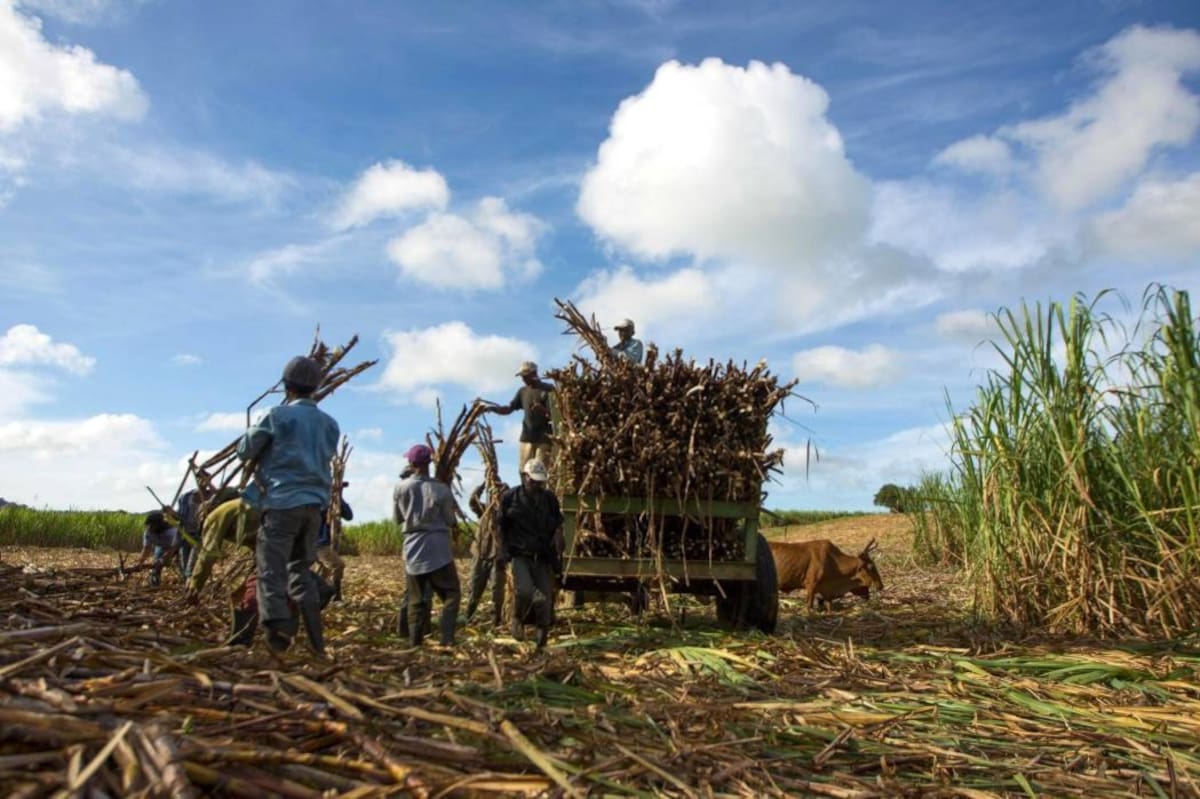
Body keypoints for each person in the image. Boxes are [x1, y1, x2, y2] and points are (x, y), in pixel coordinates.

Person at [237, 355, 340, 656]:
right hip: (314, 508)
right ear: (316, 387)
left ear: (286, 386)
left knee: (271, 571)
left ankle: (278, 636)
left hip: (282, 504)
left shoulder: (275, 415)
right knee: (300, 572)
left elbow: (245, 451)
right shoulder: (329, 424)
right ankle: (317, 643)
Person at [394, 444, 461, 647]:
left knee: (416, 598)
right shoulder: (442, 489)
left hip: (413, 548)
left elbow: (398, 518)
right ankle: (447, 637)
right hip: (438, 548)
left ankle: (415, 643)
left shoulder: (401, 488)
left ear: (411, 463)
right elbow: (450, 520)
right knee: (452, 593)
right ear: (428, 463)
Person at [499, 459, 563, 650]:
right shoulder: (510, 497)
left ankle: (542, 635)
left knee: (544, 598)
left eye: (540, 481)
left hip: (542, 556)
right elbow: (501, 527)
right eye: (533, 480)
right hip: (520, 554)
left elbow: (558, 524)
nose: (536, 484)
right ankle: (517, 618)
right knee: (525, 591)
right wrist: (502, 552)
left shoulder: (549, 499)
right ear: (524, 477)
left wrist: (559, 542)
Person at [483, 362, 555, 470]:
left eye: (525, 376)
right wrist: (492, 409)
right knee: (524, 471)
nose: (523, 379)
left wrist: (542, 409)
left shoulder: (548, 389)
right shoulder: (522, 392)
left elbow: (556, 415)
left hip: (544, 439)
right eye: (522, 377)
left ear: (534, 373)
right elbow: (508, 409)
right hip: (526, 438)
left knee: (539, 472)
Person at [464, 480, 508, 625]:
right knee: (474, 587)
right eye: (495, 493)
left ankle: (496, 621)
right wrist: (484, 484)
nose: (497, 496)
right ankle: (468, 617)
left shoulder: (508, 514)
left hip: (497, 558)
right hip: (480, 555)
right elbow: (472, 501)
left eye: (500, 494)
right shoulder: (484, 510)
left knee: (497, 591)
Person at [316, 487, 354, 602]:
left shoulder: (335, 501)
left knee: (322, 572)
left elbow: (349, 516)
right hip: (317, 542)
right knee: (337, 565)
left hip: (325, 541)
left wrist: (339, 498)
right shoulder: (315, 498)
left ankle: (320, 598)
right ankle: (336, 595)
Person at [136, 511, 182, 587]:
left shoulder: (172, 532)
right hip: (162, 547)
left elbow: (173, 548)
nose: (150, 528)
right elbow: (146, 548)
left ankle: (185, 580)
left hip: (179, 547)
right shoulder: (148, 533)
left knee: (182, 565)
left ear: (159, 525)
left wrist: (162, 560)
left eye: (152, 526)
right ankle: (155, 583)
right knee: (156, 565)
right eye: (149, 525)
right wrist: (140, 562)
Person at [175, 488, 202, 580]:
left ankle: (191, 578)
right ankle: (187, 580)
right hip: (185, 534)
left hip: (199, 535)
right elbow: (179, 516)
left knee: (193, 561)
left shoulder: (208, 499)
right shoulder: (185, 499)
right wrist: (171, 513)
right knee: (184, 559)